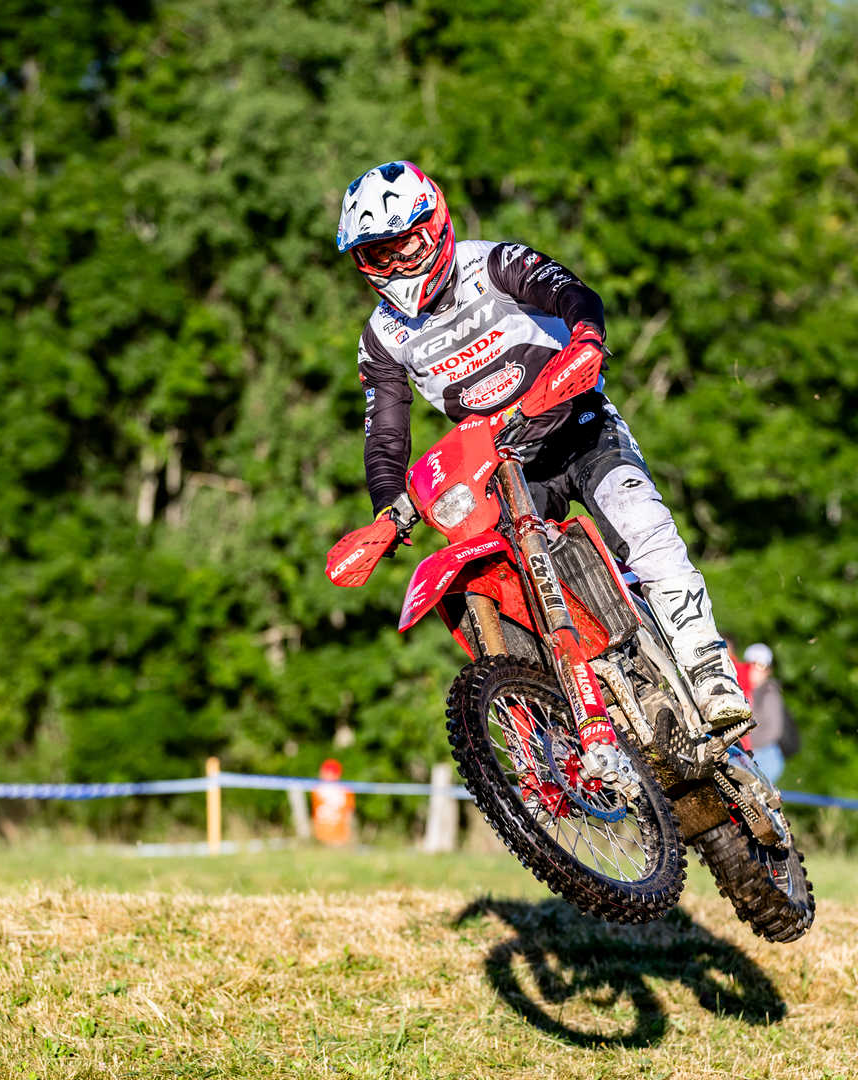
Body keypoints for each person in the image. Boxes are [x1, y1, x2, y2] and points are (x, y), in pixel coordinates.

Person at [335, 161, 752, 750]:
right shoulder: (381, 336)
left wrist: (586, 338)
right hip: (505, 461)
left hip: (577, 421)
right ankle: (558, 725)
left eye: (407, 244)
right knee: (509, 579)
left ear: (436, 226)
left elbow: (571, 292)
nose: (399, 264)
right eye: (380, 255)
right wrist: (386, 508)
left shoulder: (492, 262)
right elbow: (383, 431)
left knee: (643, 524)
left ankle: (708, 670)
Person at [742, 643, 793, 785]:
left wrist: (746, 743)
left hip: (764, 755)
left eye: (761, 666)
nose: (755, 670)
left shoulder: (769, 693)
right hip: (748, 754)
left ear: (768, 670)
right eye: (752, 665)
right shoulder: (743, 689)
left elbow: (773, 731)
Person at [311, 758, 356, 847]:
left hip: (340, 837)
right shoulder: (317, 790)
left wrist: (349, 835)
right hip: (320, 837)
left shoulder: (346, 791)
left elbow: (349, 814)